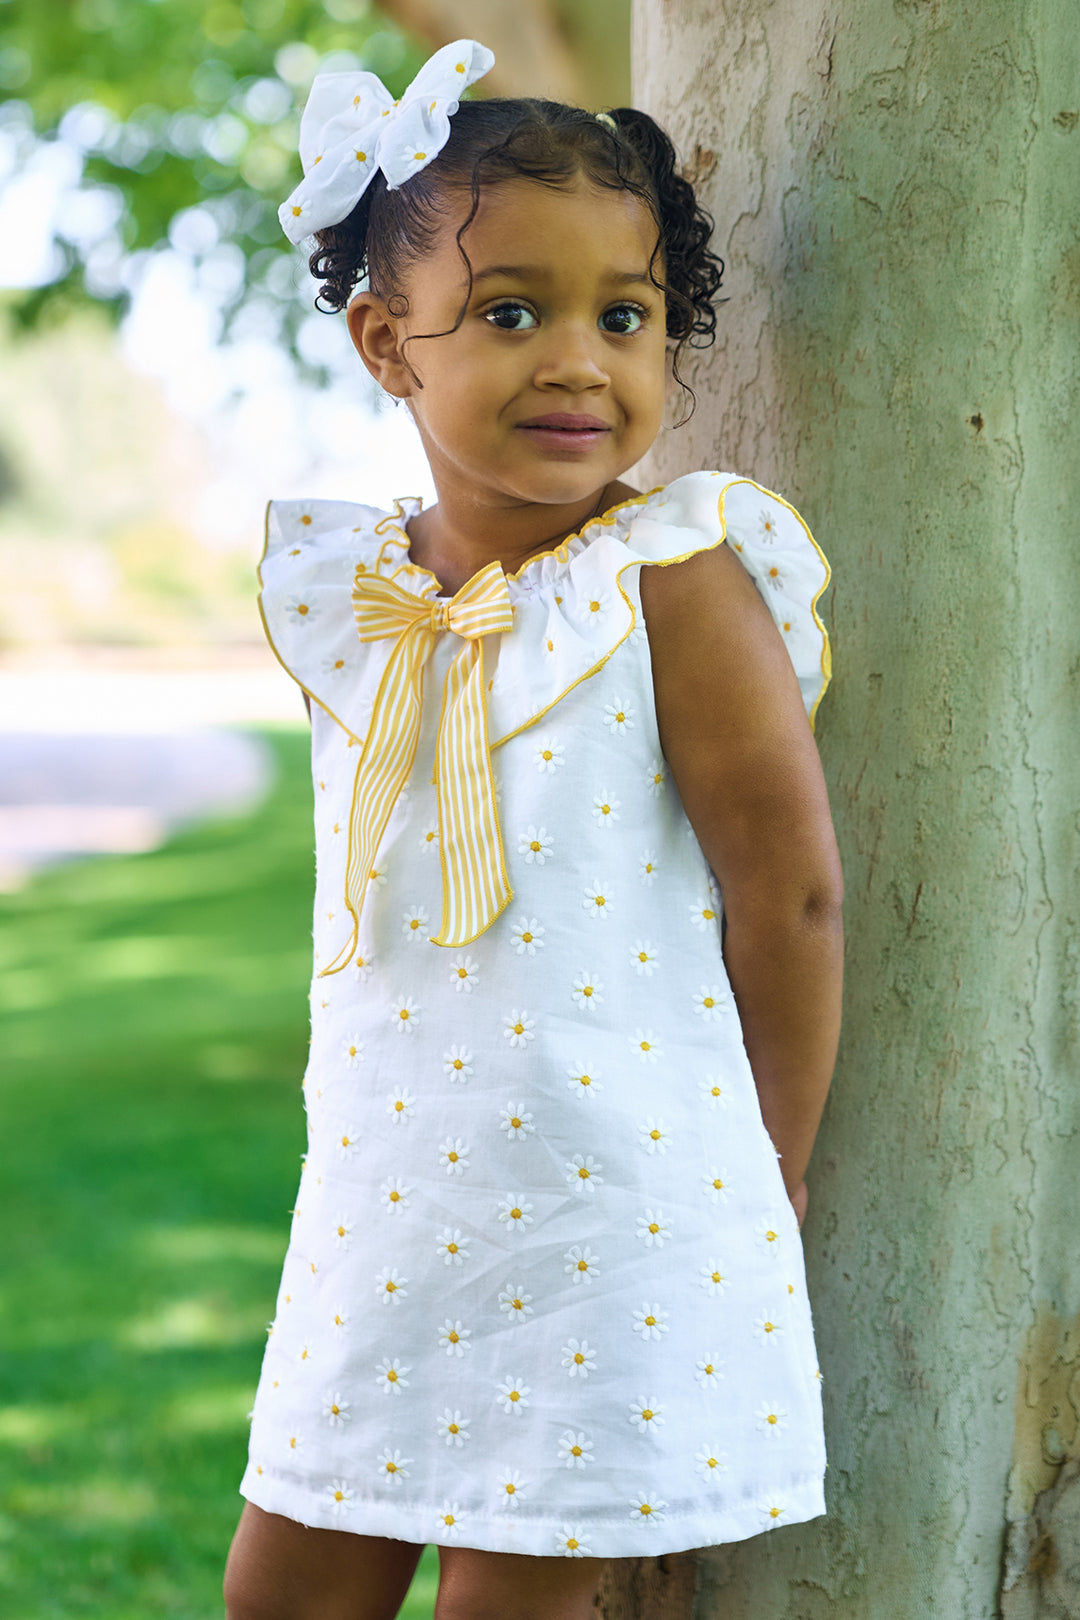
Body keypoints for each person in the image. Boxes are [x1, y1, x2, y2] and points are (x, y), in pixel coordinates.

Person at [224, 37, 844, 1620]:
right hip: (386, 1188)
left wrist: (766, 1158)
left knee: (517, 1604)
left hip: (610, 1198)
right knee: (283, 1584)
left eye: (624, 317)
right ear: (386, 344)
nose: (581, 360)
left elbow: (790, 895)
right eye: (513, 312)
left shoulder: (675, 578)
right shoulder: (363, 599)